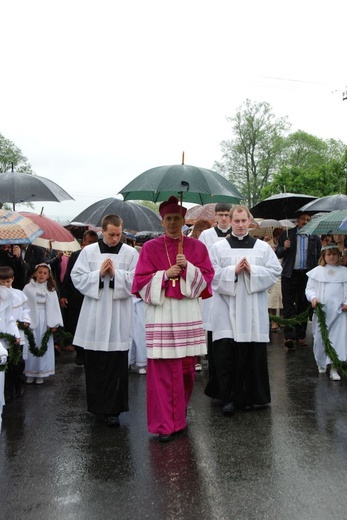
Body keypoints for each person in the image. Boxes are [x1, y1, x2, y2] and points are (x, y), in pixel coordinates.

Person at [132, 196, 214, 442]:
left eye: (177, 219)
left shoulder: (197, 248)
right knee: (162, 373)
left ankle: (179, 417)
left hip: (187, 311)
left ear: (183, 220)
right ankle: (165, 424)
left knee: (186, 370)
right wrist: (164, 275)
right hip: (162, 312)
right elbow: (139, 283)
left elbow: (208, 280)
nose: (172, 223)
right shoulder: (149, 248)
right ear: (162, 220)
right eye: (168, 219)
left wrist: (188, 267)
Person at [205, 205, 282, 415]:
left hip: (252, 309)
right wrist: (233, 271)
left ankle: (250, 397)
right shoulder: (219, 248)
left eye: (243, 221)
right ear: (229, 222)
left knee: (250, 355)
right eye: (236, 221)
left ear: (250, 222)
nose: (240, 225)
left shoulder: (262, 248)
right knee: (228, 354)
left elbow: (276, 270)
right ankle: (229, 398)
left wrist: (253, 270)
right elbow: (210, 274)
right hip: (226, 309)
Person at [71, 215, 138, 427]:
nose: (115, 238)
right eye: (111, 234)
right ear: (102, 231)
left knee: (116, 364)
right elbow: (77, 278)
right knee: (96, 364)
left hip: (119, 313)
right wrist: (99, 275)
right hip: (95, 314)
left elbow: (138, 279)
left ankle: (114, 411)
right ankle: (97, 407)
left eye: (119, 234)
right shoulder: (89, 252)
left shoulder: (130, 253)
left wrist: (116, 274)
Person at [276, 212, 321, 349]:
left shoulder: (315, 237)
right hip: (289, 275)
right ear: (297, 220)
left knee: (303, 305)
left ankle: (301, 336)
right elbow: (277, 253)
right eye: (303, 219)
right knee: (288, 305)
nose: (305, 222)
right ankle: (289, 336)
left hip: (306, 275)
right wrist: (285, 247)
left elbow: (319, 257)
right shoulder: (287, 234)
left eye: (308, 219)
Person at [198, 203, 232, 376]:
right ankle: (213, 363)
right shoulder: (206, 235)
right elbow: (202, 259)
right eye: (221, 214)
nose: (224, 218)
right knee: (212, 324)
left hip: (231, 286)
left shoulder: (236, 234)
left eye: (227, 214)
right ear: (215, 216)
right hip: (213, 286)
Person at [305, 243, 347, 381]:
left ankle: (334, 366)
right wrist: (313, 298)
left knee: (337, 339)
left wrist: (346, 303)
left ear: (339, 255)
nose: (332, 257)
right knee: (320, 338)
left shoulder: (344, 272)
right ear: (324, 256)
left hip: (339, 312)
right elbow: (310, 289)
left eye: (334, 254)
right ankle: (321, 362)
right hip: (322, 311)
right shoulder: (317, 271)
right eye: (329, 254)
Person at [60, 230, 98, 366]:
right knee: (77, 326)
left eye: (95, 242)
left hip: (93, 297)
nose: (92, 244)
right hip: (76, 297)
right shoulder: (76, 255)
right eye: (90, 242)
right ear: (83, 242)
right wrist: (63, 294)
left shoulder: (100, 256)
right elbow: (69, 275)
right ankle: (80, 353)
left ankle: (91, 353)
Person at [23, 263, 63, 384]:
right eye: (40, 272)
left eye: (45, 273)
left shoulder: (51, 289)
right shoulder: (27, 288)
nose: (42, 275)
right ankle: (30, 371)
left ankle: (41, 372)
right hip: (32, 318)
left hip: (45, 319)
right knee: (32, 343)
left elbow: (55, 306)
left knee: (42, 343)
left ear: (48, 275)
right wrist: (24, 319)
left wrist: (54, 323)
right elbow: (23, 304)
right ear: (35, 273)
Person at [0, 266, 30, 401]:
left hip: (17, 333)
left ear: (12, 279)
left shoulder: (18, 294)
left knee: (17, 362)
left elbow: (25, 310)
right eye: (2, 282)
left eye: (8, 281)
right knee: (5, 362)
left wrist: (25, 320)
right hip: (3, 335)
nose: (5, 285)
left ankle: (18, 384)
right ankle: (7, 389)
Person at [267, 228, 284, 332]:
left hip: (283, 273)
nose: (277, 239)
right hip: (273, 274)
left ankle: (282, 321)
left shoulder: (284, 243)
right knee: (273, 300)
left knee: (282, 299)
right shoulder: (267, 244)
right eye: (276, 237)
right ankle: (273, 321)